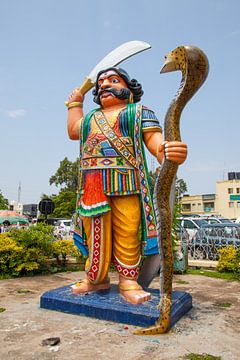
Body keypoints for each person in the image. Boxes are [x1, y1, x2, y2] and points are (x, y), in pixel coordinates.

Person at [67, 67, 187, 304]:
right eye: (101, 83)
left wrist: (169, 151)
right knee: (95, 234)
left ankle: (128, 280)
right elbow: (73, 131)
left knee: (128, 231)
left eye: (113, 80)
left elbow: (155, 144)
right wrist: (75, 104)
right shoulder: (91, 117)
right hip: (93, 184)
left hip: (127, 182)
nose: (104, 85)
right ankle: (96, 278)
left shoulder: (139, 112)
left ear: (130, 89)